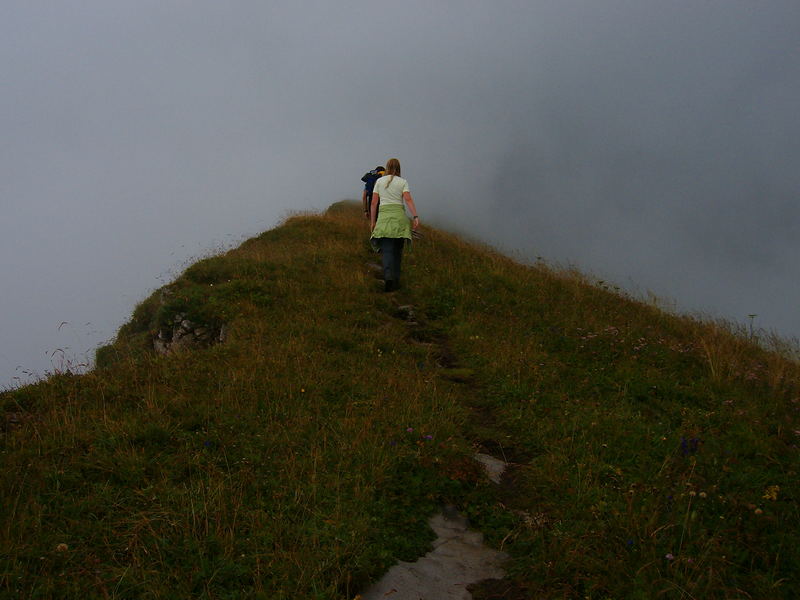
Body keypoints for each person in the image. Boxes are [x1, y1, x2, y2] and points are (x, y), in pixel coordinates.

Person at [370, 158, 419, 292]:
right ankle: (396, 280)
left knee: (387, 250)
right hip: (399, 219)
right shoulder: (403, 182)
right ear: (399, 168)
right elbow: (408, 199)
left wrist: (373, 222)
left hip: (385, 219)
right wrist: (415, 216)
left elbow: (374, 203)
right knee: (398, 252)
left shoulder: (379, 181)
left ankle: (388, 276)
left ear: (386, 167)